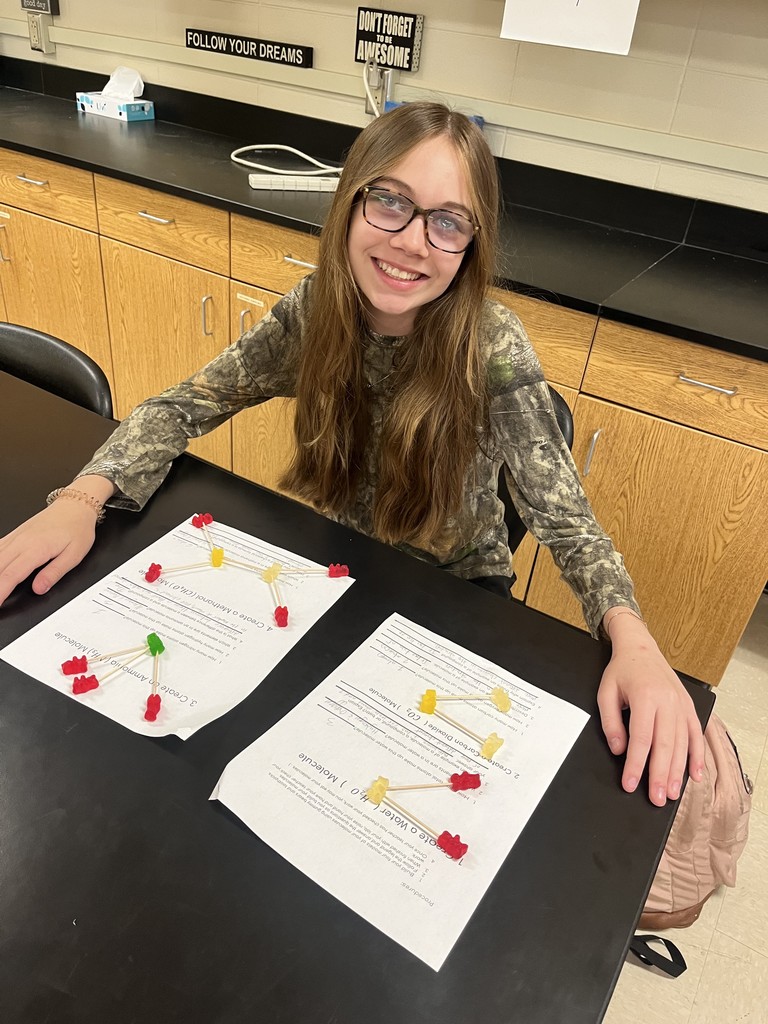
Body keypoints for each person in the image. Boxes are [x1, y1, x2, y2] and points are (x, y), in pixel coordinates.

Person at [0, 102, 703, 805]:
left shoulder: (491, 348)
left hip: (454, 604)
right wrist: (84, 498)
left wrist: (633, 643)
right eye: (391, 201)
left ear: (470, 246)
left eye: (448, 221)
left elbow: (569, 525)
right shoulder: (316, 312)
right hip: (333, 577)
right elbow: (181, 405)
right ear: (351, 202)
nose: (413, 242)